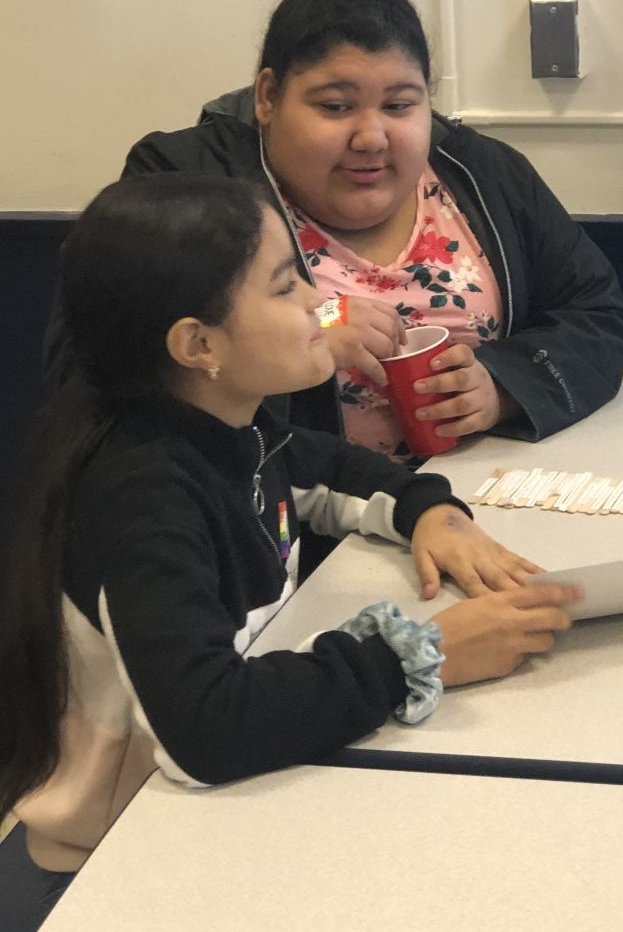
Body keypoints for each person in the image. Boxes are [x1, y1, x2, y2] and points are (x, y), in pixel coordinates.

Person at [1, 174, 580, 926]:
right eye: (286, 288)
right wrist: (417, 654)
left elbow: (320, 466)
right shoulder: (141, 495)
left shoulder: (226, 426)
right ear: (197, 343)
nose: (320, 303)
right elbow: (205, 729)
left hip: (206, 822)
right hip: (107, 869)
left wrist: (429, 512)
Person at [44, 0, 623, 462]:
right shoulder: (188, 184)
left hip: (480, 500)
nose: (372, 137)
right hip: (294, 529)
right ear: (269, 97)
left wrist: (505, 386)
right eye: (335, 106)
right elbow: (96, 367)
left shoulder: (483, 173)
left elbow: (599, 314)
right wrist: (312, 324)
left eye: (401, 105)